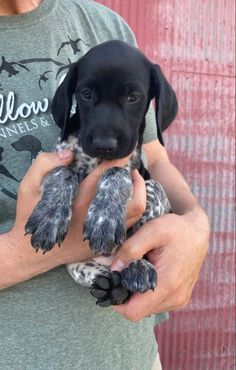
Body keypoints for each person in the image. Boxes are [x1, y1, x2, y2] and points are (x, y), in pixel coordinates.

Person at [0, 1, 210, 369]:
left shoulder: (101, 23)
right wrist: (30, 250)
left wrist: (195, 224)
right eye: (88, 96)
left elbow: (153, 157)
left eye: (132, 98)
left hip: (131, 357)